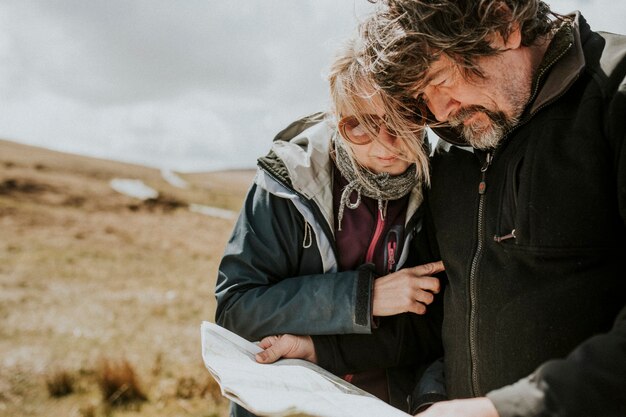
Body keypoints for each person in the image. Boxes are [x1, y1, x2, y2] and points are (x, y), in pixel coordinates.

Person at [255, 1, 626, 416]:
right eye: (420, 98)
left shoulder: (615, 95)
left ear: (503, 24)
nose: (438, 112)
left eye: (441, 79)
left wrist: (506, 409)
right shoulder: (453, 147)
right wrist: (321, 349)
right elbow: (436, 319)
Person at [214, 36, 446, 417]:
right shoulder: (287, 181)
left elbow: (438, 326)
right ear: (339, 121)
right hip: (285, 400)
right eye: (361, 126)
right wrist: (362, 299)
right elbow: (236, 310)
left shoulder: (442, 187)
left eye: (402, 119)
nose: (385, 143)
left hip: (386, 401)